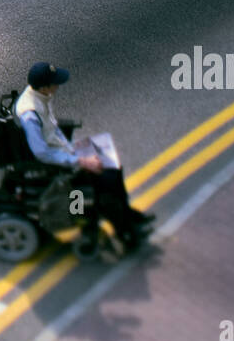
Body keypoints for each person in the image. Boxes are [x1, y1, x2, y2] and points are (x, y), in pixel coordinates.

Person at [15, 62, 155, 252]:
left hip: (64, 152)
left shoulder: (39, 96)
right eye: (54, 83)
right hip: (55, 164)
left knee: (114, 169)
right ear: (44, 86)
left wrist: (74, 148)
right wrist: (81, 161)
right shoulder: (30, 113)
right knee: (105, 181)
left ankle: (127, 214)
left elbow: (51, 129)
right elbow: (41, 152)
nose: (58, 86)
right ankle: (121, 231)